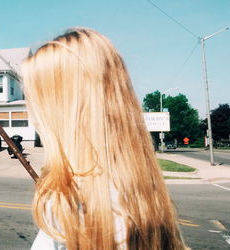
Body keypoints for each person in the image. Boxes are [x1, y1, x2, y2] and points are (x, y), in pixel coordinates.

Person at [21, 28, 186, 250]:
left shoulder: (73, 204)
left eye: (33, 101)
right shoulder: (142, 195)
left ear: (64, 111)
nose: (31, 115)